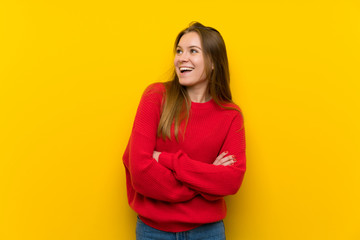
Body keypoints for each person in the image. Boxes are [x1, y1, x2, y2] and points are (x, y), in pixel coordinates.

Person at [123, 22, 246, 240]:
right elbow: (140, 173)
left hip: (208, 232)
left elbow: (231, 180)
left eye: (193, 51)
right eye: (179, 51)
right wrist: (205, 178)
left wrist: (165, 160)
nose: (182, 58)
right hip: (154, 232)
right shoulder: (156, 96)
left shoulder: (230, 115)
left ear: (213, 62)